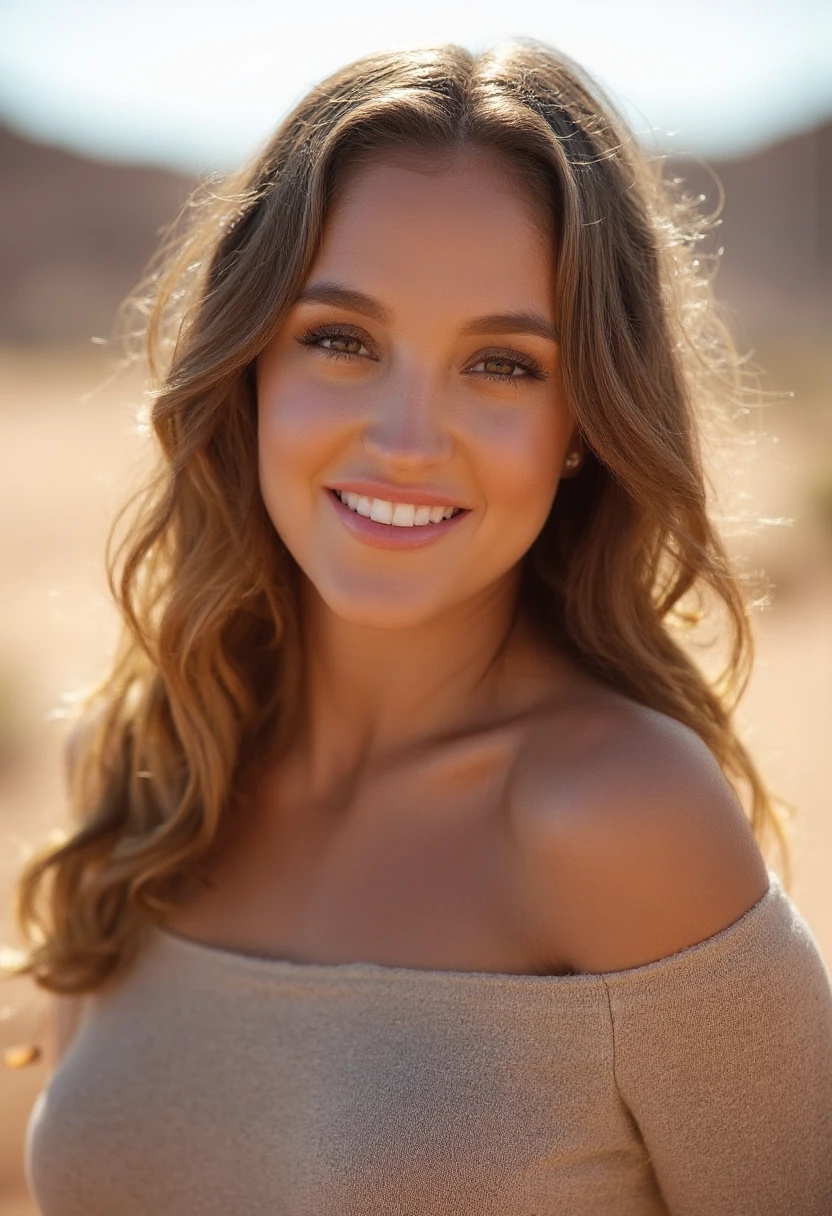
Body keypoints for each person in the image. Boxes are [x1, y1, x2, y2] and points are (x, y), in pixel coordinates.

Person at [6, 36, 832, 1215]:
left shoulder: (623, 817)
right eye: (340, 339)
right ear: (249, 366)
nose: (404, 437)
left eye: (501, 363)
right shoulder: (151, 765)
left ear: (585, 418)